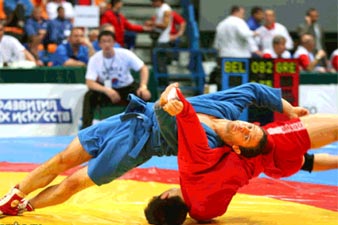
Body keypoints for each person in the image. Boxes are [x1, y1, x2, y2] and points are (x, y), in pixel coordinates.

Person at [0, 82, 302, 217]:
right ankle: (11, 198)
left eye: (247, 137)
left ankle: (27, 206)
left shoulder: (207, 145)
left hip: (137, 144)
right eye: (251, 127)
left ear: (235, 148)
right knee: (62, 158)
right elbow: (254, 90)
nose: (246, 128)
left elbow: (163, 117)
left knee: (75, 181)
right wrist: (288, 109)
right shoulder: (228, 106)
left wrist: (167, 98)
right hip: (129, 117)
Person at [145, 84, 338, 224]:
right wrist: (172, 97)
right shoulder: (193, 169)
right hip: (271, 144)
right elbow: (189, 124)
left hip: (274, 167)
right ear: (165, 195)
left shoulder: (204, 213)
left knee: (306, 162)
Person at [81, 30, 151, 129]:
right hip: (106, 90)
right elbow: (89, 82)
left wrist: (143, 86)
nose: (107, 44)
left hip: (127, 87)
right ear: (99, 44)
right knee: (89, 96)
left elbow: (143, 68)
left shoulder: (125, 54)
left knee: (145, 95)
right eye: (104, 41)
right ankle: (85, 129)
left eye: (109, 41)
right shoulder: (95, 59)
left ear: (114, 43)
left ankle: (148, 126)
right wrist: (107, 90)